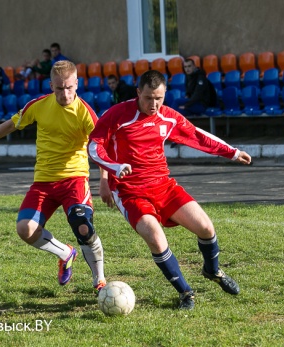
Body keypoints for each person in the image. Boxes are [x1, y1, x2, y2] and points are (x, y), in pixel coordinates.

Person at [88, 70, 252, 310]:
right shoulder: (118, 114)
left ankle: (213, 270)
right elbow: (94, 146)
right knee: (155, 237)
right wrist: (113, 168)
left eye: (159, 98)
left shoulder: (168, 117)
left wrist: (233, 152)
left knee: (206, 227)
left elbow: (196, 136)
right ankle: (186, 292)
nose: (154, 104)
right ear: (138, 93)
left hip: (163, 185)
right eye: (148, 98)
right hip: (129, 191)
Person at [0, 60, 108, 293]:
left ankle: (99, 281)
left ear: (77, 84)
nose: (65, 93)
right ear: (51, 85)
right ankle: (65, 253)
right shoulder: (39, 106)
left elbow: (100, 148)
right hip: (44, 181)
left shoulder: (86, 113)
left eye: (69, 87)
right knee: (25, 229)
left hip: (74, 179)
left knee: (82, 226)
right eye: (59, 88)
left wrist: (104, 181)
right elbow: (10, 125)